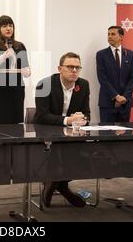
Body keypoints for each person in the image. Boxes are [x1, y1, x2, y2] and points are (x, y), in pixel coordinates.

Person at [34, 52, 90, 208]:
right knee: (61, 149)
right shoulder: (44, 84)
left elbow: (87, 113)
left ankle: (57, 183)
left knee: (86, 150)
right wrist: (68, 120)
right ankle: (59, 184)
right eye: (70, 67)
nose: (74, 71)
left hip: (71, 134)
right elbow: (41, 116)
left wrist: (82, 118)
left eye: (77, 67)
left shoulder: (83, 85)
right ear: (59, 68)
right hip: (46, 131)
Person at [0, 15, 31, 124]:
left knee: (16, 124)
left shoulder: (19, 46)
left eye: (10, 25)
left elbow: (27, 71)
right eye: (4, 26)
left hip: (16, 91)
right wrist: (3, 56)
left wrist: (26, 71)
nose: (8, 28)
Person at [96, 26, 133, 122]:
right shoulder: (101, 54)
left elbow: (132, 78)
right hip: (107, 102)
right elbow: (102, 78)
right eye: (108, 34)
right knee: (107, 135)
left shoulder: (130, 54)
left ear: (121, 37)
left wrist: (124, 97)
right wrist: (116, 96)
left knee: (124, 134)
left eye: (113, 34)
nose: (109, 36)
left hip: (125, 103)